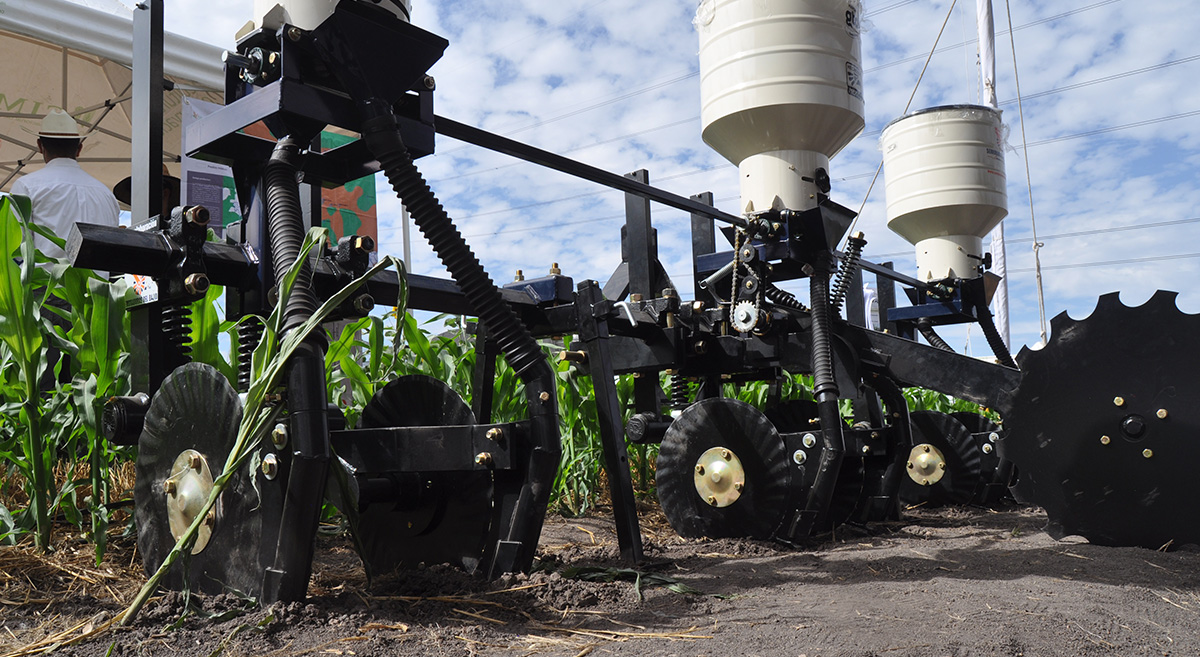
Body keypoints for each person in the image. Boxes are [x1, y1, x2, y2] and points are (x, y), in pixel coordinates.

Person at [11, 108, 119, 261]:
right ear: (79, 149)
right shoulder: (106, 194)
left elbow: (15, 247)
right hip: (99, 284)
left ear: (40, 146)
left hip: (46, 283)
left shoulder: (27, 186)